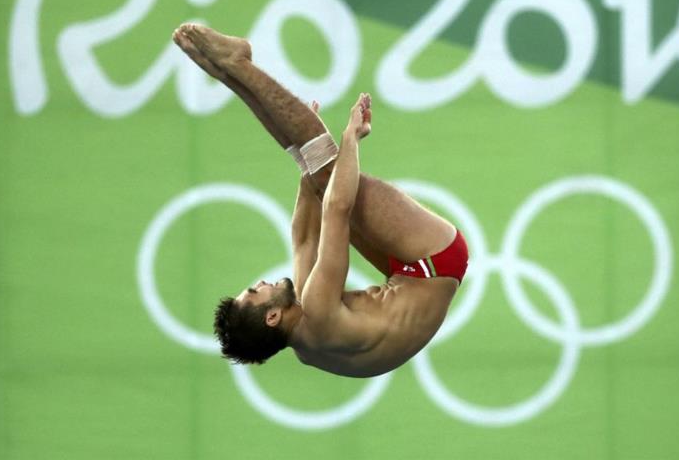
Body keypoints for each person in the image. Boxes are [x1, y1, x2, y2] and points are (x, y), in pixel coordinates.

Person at [172, 23, 468, 378]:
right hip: (434, 259)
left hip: (409, 278)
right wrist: (350, 139)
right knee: (328, 174)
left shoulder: (305, 342)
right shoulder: (318, 310)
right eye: (255, 291)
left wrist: (305, 165)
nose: (262, 283)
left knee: (317, 174)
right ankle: (237, 65)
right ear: (271, 315)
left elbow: (305, 238)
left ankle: (228, 71)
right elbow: (337, 209)